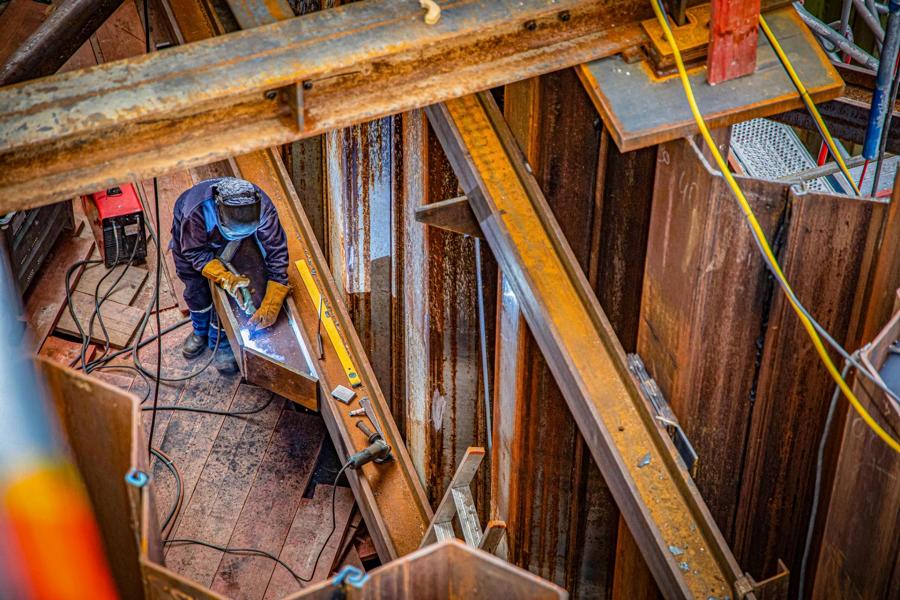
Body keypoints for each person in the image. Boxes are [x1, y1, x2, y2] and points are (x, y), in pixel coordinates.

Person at [170, 177, 290, 374]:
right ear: (219, 210)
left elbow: (276, 251)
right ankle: (200, 332)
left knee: (232, 298)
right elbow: (194, 252)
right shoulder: (195, 212)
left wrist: (273, 300)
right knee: (196, 291)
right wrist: (224, 277)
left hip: (232, 244)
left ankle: (224, 344)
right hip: (191, 244)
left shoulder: (264, 208)